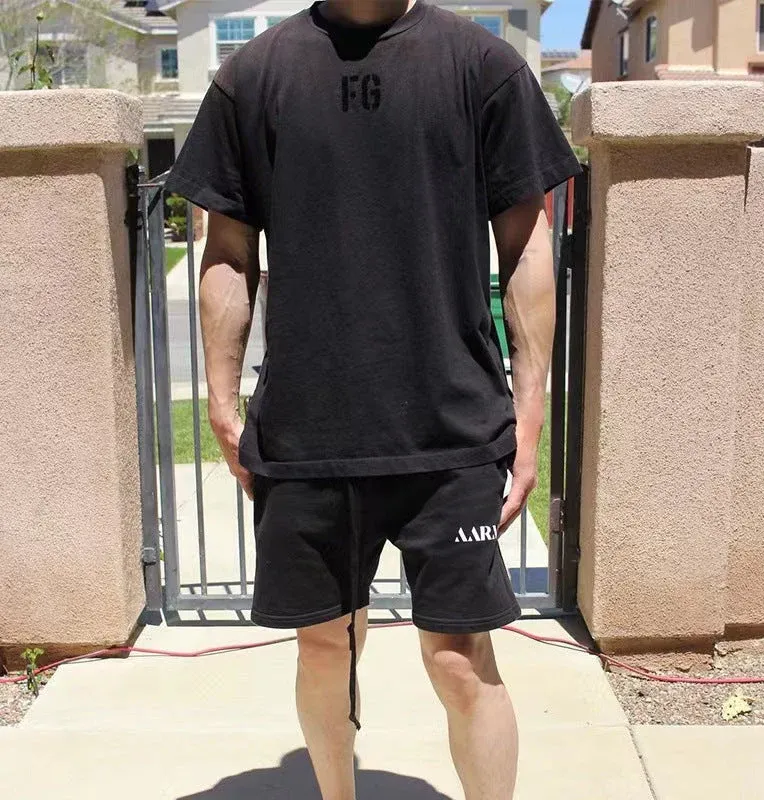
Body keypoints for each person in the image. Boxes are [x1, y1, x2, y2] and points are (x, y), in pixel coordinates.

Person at [164, 1, 581, 797]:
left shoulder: (481, 67)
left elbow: (526, 245)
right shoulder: (253, 77)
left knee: (461, 659)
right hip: (307, 433)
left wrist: (529, 412)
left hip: (452, 427)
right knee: (325, 647)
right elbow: (227, 249)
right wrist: (220, 400)